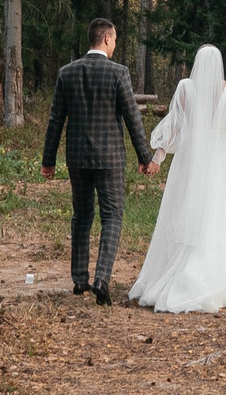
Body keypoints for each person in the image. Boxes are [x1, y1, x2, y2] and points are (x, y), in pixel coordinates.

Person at [129, 44, 226, 313]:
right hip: (222, 158)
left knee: (190, 207)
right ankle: (224, 273)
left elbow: (175, 126)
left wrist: (158, 158)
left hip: (193, 156)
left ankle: (184, 269)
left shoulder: (186, 88)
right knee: (223, 212)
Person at [41, 17, 155, 304]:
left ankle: (80, 280)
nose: (115, 45)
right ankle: (101, 279)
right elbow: (133, 117)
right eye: (114, 39)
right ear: (106, 39)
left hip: (77, 158)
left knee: (81, 216)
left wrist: (48, 159)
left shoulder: (67, 73)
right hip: (110, 158)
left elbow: (56, 119)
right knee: (112, 217)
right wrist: (145, 156)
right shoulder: (118, 73)